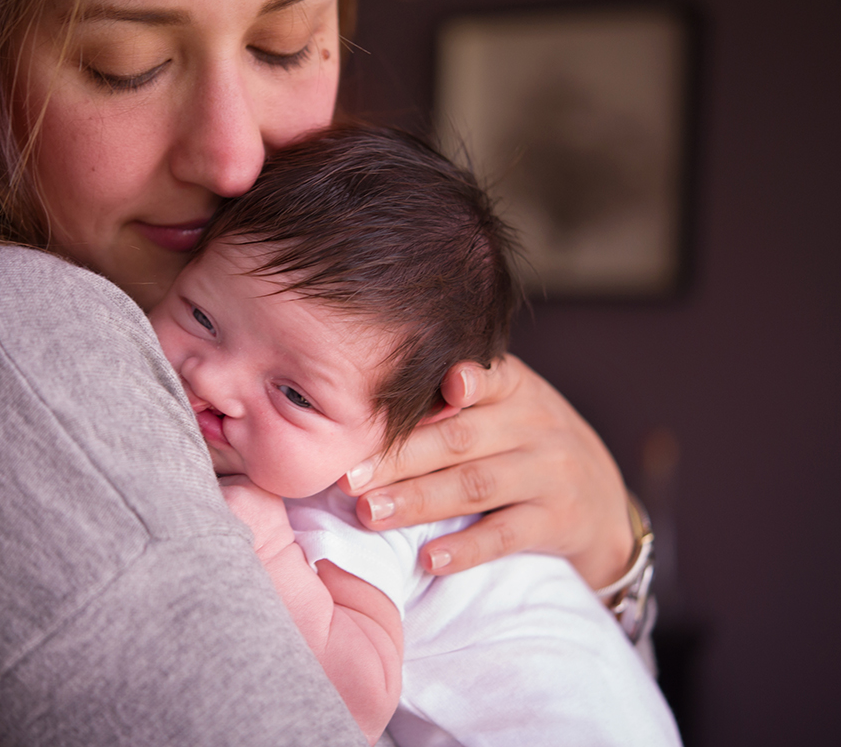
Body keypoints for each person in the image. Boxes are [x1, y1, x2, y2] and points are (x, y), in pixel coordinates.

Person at [0, 0, 647, 743]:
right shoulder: (0, 338)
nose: (234, 159)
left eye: (284, 47)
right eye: (125, 63)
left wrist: (611, 556)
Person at [148, 124, 680, 747]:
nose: (212, 379)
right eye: (202, 316)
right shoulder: (316, 448)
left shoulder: (360, 501)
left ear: (403, 433)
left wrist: (264, 544)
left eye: (295, 395)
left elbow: (359, 699)